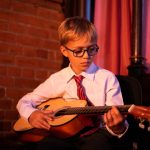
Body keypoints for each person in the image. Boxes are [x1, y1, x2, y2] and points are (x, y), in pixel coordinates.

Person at [16, 16, 132, 150]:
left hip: (98, 133)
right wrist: (32, 114)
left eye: (92, 49)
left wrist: (118, 128)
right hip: (64, 135)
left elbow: (116, 120)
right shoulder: (57, 79)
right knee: (45, 145)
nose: (86, 56)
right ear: (64, 51)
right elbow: (24, 101)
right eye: (78, 51)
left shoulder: (107, 78)